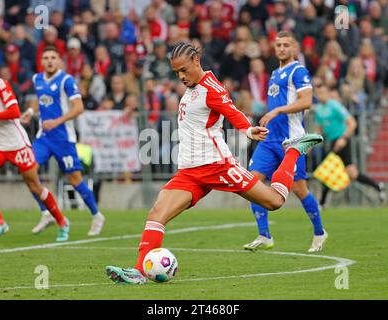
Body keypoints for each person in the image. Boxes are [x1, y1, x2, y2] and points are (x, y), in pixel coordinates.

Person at [105, 42, 323, 285]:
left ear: (196, 61)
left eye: (184, 70)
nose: (181, 77)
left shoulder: (212, 88)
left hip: (218, 166)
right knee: (157, 213)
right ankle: (138, 272)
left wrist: (249, 130)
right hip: (189, 172)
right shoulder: (191, 88)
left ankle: (293, 150)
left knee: (275, 201)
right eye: (177, 73)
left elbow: (232, 112)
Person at [243, 31, 327, 253]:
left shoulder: (298, 71)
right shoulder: (274, 73)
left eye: (286, 45)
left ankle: (319, 232)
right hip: (270, 140)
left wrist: (278, 109)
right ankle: (264, 235)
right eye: (278, 44)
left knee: (299, 189)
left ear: (294, 48)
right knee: (250, 183)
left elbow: (306, 101)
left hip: (292, 140)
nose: (281, 48)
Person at [21, 46, 105, 236]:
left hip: (63, 138)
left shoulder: (66, 80)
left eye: (53, 57)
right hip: (44, 137)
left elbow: (79, 107)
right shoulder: (37, 79)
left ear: (59, 60)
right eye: (46, 57)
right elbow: (40, 101)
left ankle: (96, 215)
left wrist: (57, 121)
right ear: (41, 61)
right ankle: (46, 213)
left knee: (75, 179)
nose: (49, 61)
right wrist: (30, 112)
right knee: (28, 172)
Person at [0, 76, 69, 241]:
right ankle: (0, 223)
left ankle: (62, 221)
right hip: (0, 145)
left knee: (34, 186)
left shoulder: (0, 84)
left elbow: (14, 112)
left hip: (17, 144)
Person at [314, 82, 386, 206]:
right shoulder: (318, 109)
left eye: (322, 92)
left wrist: (343, 138)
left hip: (342, 142)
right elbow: (320, 127)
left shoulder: (334, 106)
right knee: (346, 173)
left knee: (329, 170)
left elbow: (352, 123)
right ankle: (378, 187)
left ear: (327, 93)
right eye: (318, 93)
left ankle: (322, 203)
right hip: (332, 142)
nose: (320, 95)